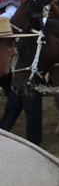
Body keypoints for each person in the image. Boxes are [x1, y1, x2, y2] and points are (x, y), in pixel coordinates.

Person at [0, 17, 42, 147]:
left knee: (26, 113)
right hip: (23, 81)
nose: (14, 52)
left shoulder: (35, 47)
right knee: (13, 109)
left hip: (28, 81)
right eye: (9, 45)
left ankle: (33, 145)